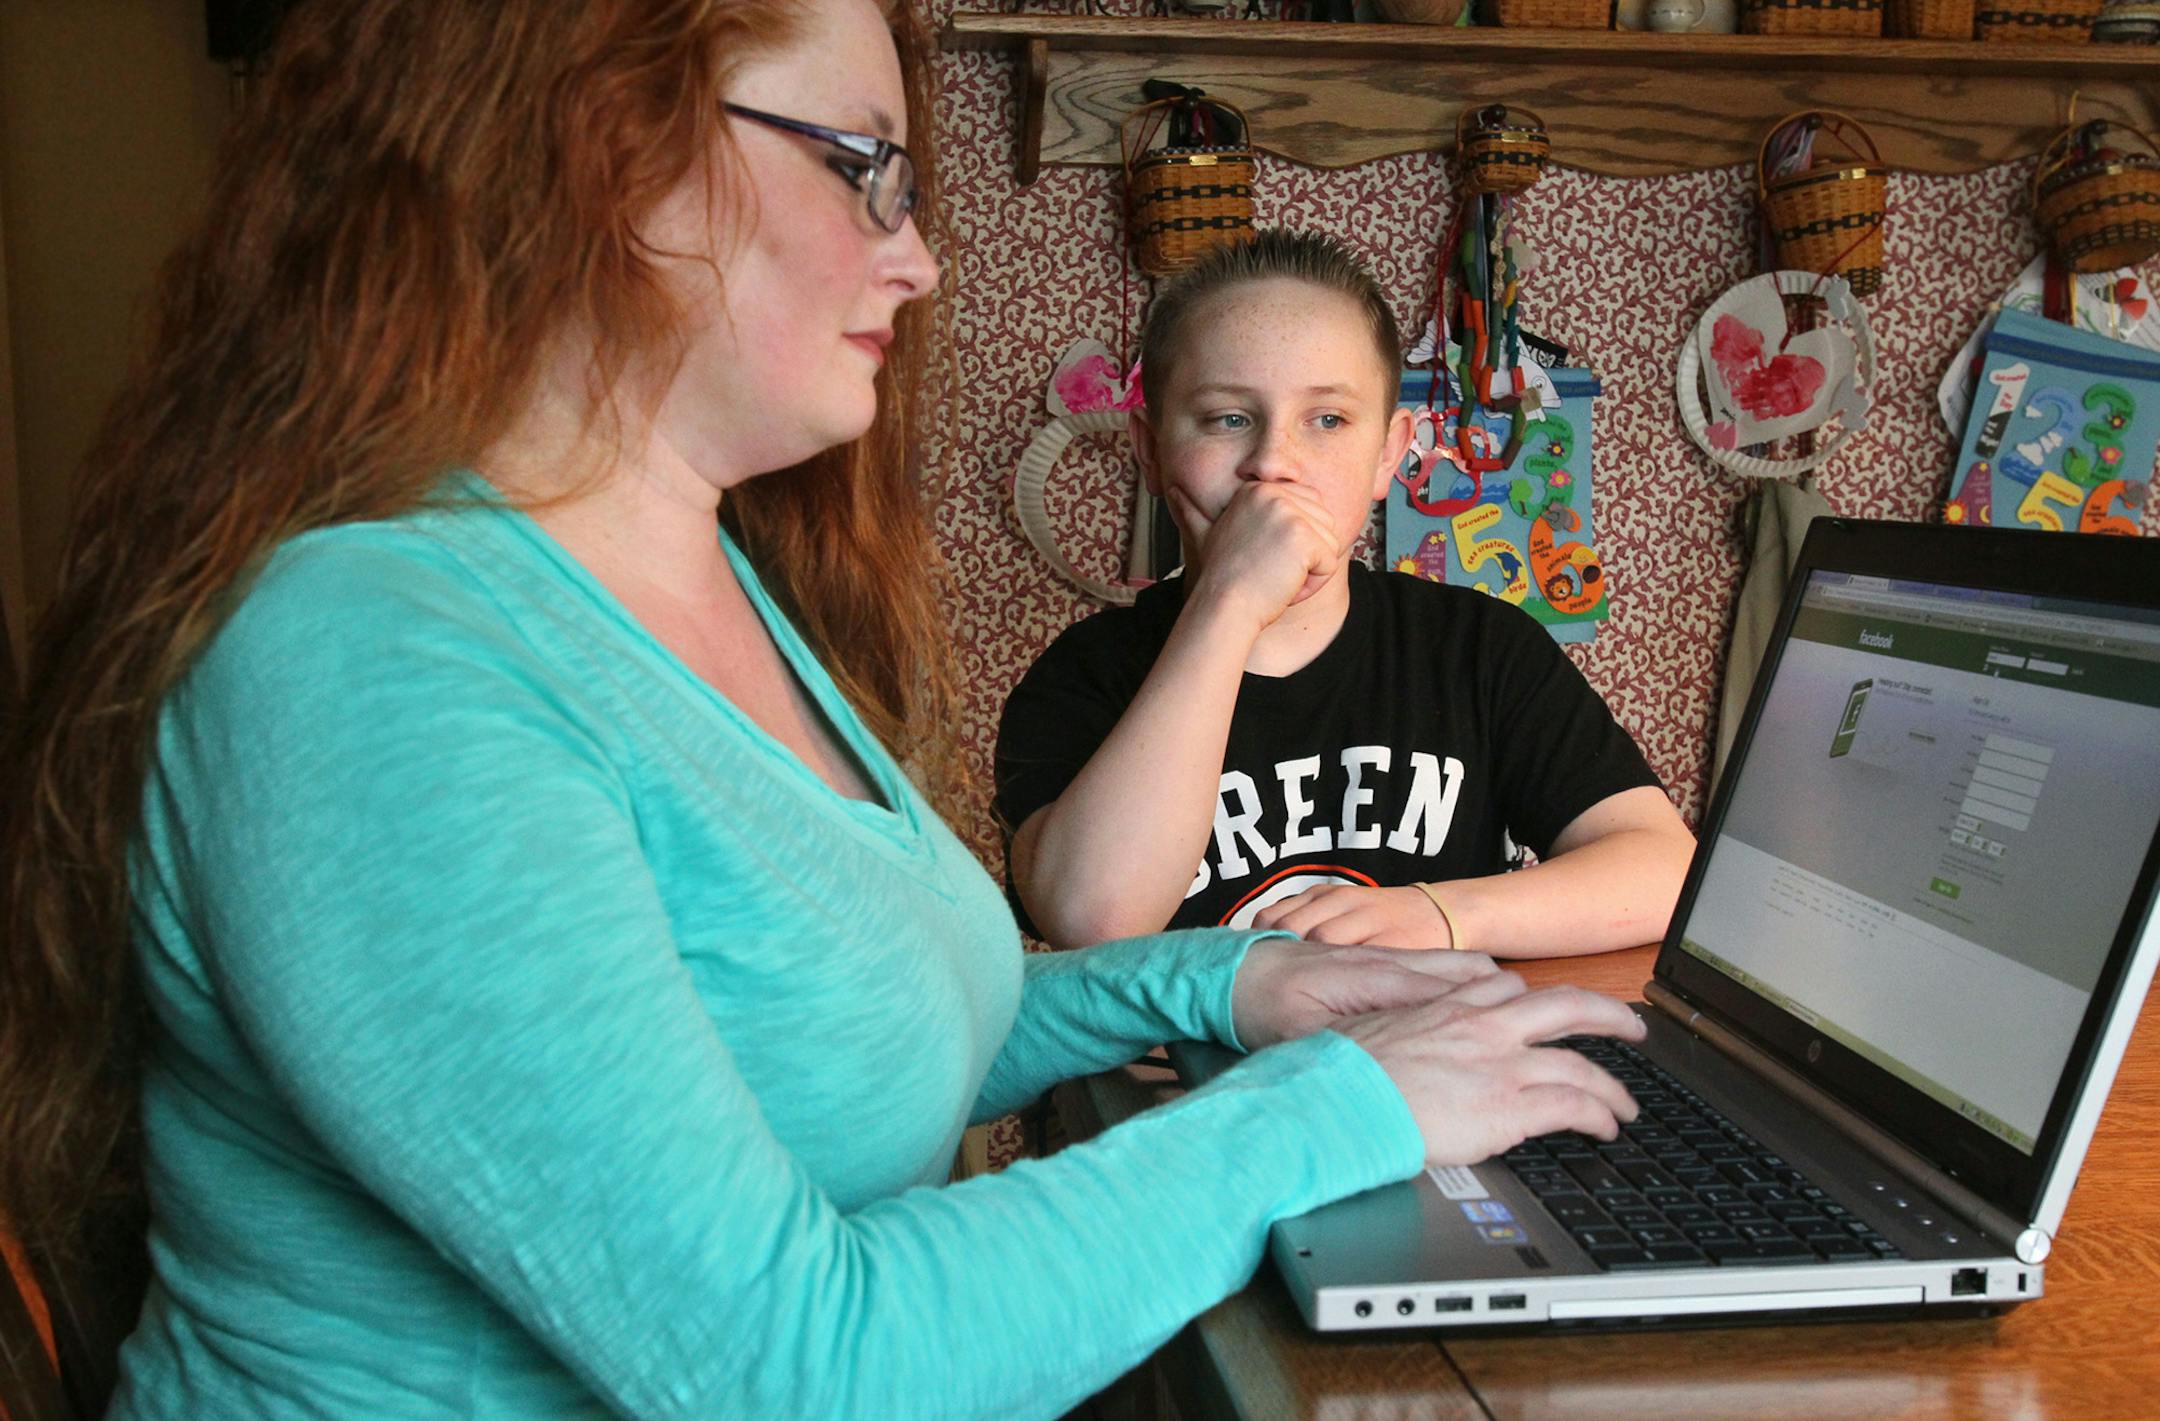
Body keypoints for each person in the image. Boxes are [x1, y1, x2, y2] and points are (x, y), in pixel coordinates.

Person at [0, 7, 1650, 1418]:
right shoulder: (369, 657)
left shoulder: (711, 585)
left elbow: (883, 1016)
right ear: (603, 147)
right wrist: (1342, 1108)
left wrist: (1250, 981)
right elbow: (793, 1366)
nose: (917, 255)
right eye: (860, 164)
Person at [997, 230, 1694, 957]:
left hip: (1427, 1062)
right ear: (1149, 447)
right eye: (1227, 418)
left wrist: (1441, 915)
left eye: (1327, 419)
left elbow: (1666, 869)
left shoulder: (1479, 649)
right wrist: (1231, 603)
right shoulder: (1077, 679)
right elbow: (1095, 916)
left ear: (1389, 454)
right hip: (1197, 1073)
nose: (1274, 463)